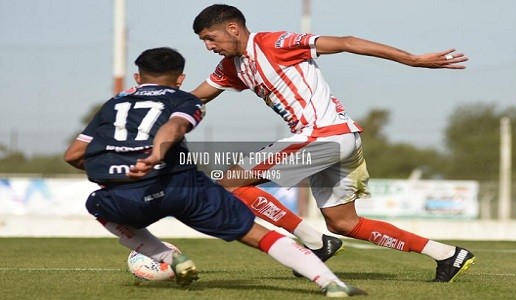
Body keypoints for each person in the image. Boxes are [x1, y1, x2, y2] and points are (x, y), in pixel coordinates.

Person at [189, 4, 475, 282]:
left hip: (322, 135)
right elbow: (196, 96)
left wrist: (413, 59)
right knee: (343, 223)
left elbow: (347, 42)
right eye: (204, 41)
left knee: (231, 183)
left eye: (210, 38)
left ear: (233, 28)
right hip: (339, 138)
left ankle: (314, 243)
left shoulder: (274, 42)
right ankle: (447, 254)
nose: (209, 47)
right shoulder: (231, 67)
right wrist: (153, 100)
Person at [63, 47, 367, 297]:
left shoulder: (113, 103)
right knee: (257, 235)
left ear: (137, 77)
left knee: (98, 204)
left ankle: (168, 257)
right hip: (183, 188)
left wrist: (118, 169)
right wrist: (156, 154)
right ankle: (331, 284)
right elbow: (175, 125)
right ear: (180, 78)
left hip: (126, 194)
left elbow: (74, 155)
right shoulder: (185, 99)